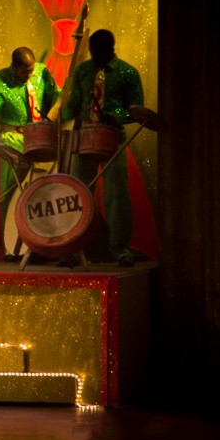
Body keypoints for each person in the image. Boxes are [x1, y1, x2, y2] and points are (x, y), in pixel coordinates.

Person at [62, 29, 144, 267]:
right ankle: (74, 247)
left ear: (110, 49)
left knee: (117, 193)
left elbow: (137, 109)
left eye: (100, 52)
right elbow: (74, 103)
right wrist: (59, 111)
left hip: (112, 138)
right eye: (92, 51)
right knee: (78, 192)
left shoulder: (127, 72)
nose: (95, 55)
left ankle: (120, 248)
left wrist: (115, 115)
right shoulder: (83, 71)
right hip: (85, 136)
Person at [0, 47, 60, 259]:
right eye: (24, 72)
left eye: (31, 70)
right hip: (13, 137)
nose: (29, 75)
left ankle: (42, 244)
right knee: (12, 191)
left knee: (42, 188)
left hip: (39, 135)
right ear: (14, 67)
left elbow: (57, 94)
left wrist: (53, 112)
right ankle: (12, 247)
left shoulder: (41, 71)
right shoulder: (0, 81)